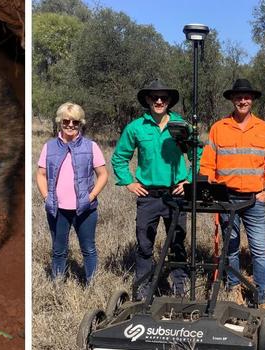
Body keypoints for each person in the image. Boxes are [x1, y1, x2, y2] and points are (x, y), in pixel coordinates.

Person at [111, 79, 201, 301]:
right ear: (147, 100)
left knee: (177, 243)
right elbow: (120, 158)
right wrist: (129, 182)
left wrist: (189, 180)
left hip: (176, 195)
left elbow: (197, 155)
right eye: (154, 97)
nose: (159, 101)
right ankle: (143, 289)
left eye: (164, 97)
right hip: (148, 196)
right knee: (144, 244)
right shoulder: (136, 127)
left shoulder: (182, 126)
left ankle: (180, 289)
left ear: (169, 101)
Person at [200, 79, 265, 306]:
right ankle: (233, 289)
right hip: (226, 200)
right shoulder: (218, 128)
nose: (242, 101)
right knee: (231, 248)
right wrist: (211, 191)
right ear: (232, 100)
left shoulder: (264, 129)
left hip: (254, 200)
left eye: (246, 97)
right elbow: (207, 164)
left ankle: (261, 296)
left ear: (252, 100)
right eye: (238, 97)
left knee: (259, 251)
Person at [36, 102, 108, 284]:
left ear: (80, 123)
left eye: (75, 122)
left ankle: (92, 285)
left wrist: (90, 197)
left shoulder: (91, 146)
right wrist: (46, 197)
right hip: (57, 208)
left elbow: (103, 175)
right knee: (59, 250)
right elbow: (41, 174)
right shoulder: (49, 147)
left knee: (88, 248)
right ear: (60, 121)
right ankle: (57, 285)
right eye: (66, 121)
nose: (70, 125)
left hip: (85, 208)